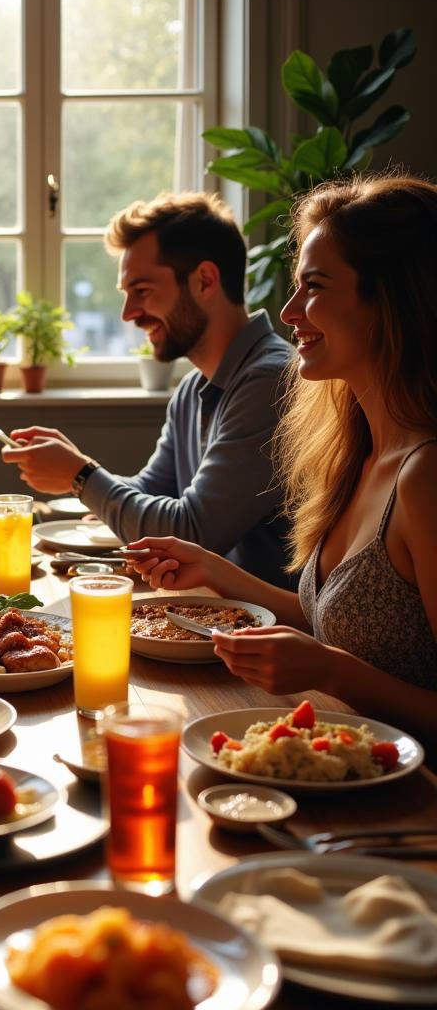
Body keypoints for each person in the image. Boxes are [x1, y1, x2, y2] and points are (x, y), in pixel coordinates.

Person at [127, 174, 437, 740]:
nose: (290, 311)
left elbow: (342, 657)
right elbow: (333, 621)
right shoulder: (358, 454)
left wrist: (333, 671)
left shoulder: (424, 476)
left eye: (314, 287)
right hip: (336, 762)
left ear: (391, 299)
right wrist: (214, 570)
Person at [1, 192, 293, 588]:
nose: (128, 314)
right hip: (211, 613)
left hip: (264, 632)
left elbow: (190, 532)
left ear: (205, 280)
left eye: (142, 291)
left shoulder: (271, 381)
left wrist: (81, 476)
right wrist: (78, 466)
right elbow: (152, 490)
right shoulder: (193, 389)